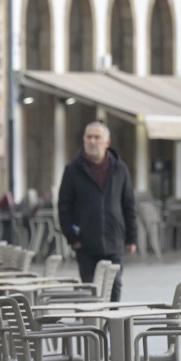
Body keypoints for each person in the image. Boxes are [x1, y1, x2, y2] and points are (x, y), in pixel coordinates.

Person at [58, 121, 137, 301]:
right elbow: (64, 206)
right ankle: (95, 328)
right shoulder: (72, 170)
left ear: (107, 142)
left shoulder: (120, 169)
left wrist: (132, 238)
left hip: (114, 239)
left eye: (97, 137)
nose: (92, 141)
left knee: (115, 284)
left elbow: (128, 204)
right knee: (90, 289)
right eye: (89, 137)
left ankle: (113, 326)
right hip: (86, 243)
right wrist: (72, 237)